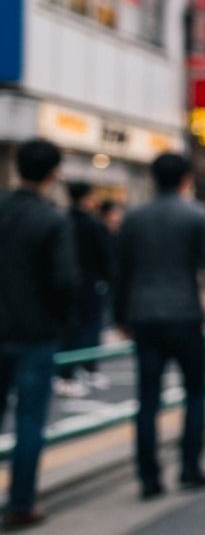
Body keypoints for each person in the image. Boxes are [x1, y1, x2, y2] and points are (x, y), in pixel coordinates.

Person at [112, 153, 205, 501]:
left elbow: (120, 272)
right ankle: (189, 467)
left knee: (147, 399)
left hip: (144, 316)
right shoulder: (196, 216)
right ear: (186, 178)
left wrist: (119, 317)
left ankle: (149, 477)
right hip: (185, 315)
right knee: (195, 393)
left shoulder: (134, 218)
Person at [0, 139, 79, 529]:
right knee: (30, 421)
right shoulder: (52, 220)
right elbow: (66, 281)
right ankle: (20, 503)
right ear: (53, 173)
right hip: (35, 333)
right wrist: (63, 323)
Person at [54, 181, 114, 398]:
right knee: (89, 330)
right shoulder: (94, 225)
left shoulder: (62, 220)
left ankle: (67, 373)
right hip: (90, 285)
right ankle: (83, 370)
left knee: (69, 330)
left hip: (64, 287)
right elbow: (106, 259)